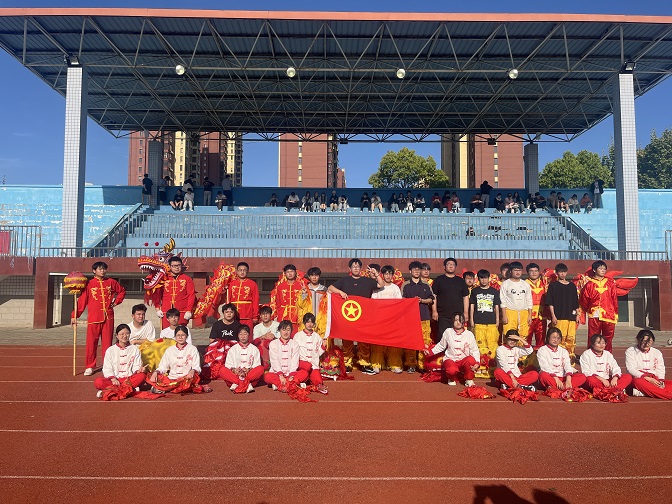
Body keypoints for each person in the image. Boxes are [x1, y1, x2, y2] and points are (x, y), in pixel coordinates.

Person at [327, 258, 384, 373]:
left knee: (364, 340)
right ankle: (347, 363)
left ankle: (364, 363)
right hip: (348, 317)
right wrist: (340, 292)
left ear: (361, 268)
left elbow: (381, 284)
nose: (356, 268)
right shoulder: (344, 280)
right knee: (347, 340)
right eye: (354, 266)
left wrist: (376, 274)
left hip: (364, 316)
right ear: (350, 268)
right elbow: (330, 288)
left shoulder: (367, 281)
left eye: (358, 267)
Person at [71, 261, 126, 376]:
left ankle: (107, 365)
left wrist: (116, 302)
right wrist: (74, 315)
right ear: (94, 271)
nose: (102, 271)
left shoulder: (111, 282)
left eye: (104, 269)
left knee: (107, 343)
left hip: (108, 317)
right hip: (94, 317)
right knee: (91, 343)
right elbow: (82, 301)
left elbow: (122, 291)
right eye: (100, 269)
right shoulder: (89, 284)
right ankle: (90, 366)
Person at [425, 312, 480, 386]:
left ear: (464, 321)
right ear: (452, 321)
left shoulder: (469, 334)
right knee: (451, 370)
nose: (458, 322)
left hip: (464, 361)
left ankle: (469, 379)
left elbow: (475, 350)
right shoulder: (448, 332)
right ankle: (451, 377)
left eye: (460, 320)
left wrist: (477, 363)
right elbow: (441, 345)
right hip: (451, 359)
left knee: (471, 360)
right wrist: (430, 352)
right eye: (456, 320)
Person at [94, 324, 146, 398]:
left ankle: (112, 391)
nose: (125, 336)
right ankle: (129, 390)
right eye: (122, 334)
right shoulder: (110, 350)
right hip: (114, 380)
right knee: (98, 382)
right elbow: (107, 368)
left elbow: (136, 365)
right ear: (117, 336)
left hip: (129, 379)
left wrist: (138, 370)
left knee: (142, 376)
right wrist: (113, 378)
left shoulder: (135, 349)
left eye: (127, 333)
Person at [370, 265, 404, 374]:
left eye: (390, 273)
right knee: (378, 343)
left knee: (393, 343)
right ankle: (377, 364)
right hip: (380, 320)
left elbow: (399, 303)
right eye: (386, 274)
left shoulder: (396, 288)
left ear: (393, 275)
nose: (388, 276)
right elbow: (373, 302)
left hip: (393, 320)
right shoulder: (377, 287)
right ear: (382, 275)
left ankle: (394, 364)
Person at [403, 261, 435, 373]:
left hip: (424, 317)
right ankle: (411, 364)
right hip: (410, 318)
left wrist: (422, 300)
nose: (416, 271)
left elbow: (431, 299)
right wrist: (411, 301)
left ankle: (423, 364)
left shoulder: (426, 285)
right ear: (410, 271)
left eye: (418, 269)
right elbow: (402, 300)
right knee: (410, 341)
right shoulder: (405, 285)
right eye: (414, 269)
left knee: (425, 341)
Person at [149, 324, 201, 393]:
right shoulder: (170, 350)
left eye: (183, 335)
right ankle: (170, 387)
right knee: (154, 377)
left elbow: (197, 367)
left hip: (186, 378)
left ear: (187, 336)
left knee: (192, 380)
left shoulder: (192, 349)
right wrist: (156, 372)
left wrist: (192, 371)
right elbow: (162, 367)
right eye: (178, 335)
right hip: (171, 378)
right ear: (175, 337)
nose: (180, 337)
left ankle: (164, 388)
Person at [579, 260, 618, 351]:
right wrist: (587, 310)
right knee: (593, 336)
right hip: (594, 314)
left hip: (609, 314)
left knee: (608, 337)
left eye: (604, 269)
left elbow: (614, 299)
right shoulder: (589, 284)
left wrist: (615, 313)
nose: (603, 270)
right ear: (594, 270)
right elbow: (584, 299)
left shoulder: (610, 284)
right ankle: (591, 354)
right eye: (600, 268)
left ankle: (607, 355)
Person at [545, 263, 580, 358]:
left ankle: (570, 359)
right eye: (560, 272)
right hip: (559, 317)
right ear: (557, 273)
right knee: (560, 338)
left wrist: (578, 315)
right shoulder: (553, 286)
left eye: (564, 272)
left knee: (571, 338)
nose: (563, 274)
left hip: (571, 317)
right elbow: (550, 303)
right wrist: (553, 316)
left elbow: (575, 302)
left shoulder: (572, 286)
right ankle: (558, 358)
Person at [469, 269, 501, 372]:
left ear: (489, 279)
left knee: (492, 344)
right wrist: (471, 320)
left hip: (491, 322)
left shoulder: (494, 291)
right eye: (481, 278)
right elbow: (472, 306)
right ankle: (481, 366)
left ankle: (492, 366)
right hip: (478, 322)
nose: (484, 280)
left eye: (485, 278)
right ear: (478, 279)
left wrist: (497, 320)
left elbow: (496, 307)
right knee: (480, 345)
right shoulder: (475, 291)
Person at [625, 330, 672, 399]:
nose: (646, 344)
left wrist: (661, 381)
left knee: (668, 384)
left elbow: (660, 368)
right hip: (639, 378)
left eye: (649, 342)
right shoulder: (630, 351)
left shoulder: (657, 352)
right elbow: (631, 369)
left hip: (654, 378)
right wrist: (647, 378)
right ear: (638, 340)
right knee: (637, 382)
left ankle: (641, 393)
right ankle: (667, 395)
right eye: (644, 341)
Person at [431, 258, 470, 338]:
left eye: (453, 264)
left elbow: (465, 297)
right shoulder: (439, 280)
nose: (451, 266)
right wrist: (434, 311)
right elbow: (434, 296)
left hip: (458, 315)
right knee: (443, 337)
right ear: (444, 267)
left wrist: (466, 312)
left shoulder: (461, 281)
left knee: (457, 337)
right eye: (448, 264)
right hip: (443, 315)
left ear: (455, 267)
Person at [219, 325, 264, 393]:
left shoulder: (254, 349)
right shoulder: (233, 349)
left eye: (245, 334)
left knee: (260, 368)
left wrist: (248, 370)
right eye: (240, 334)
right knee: (222, 370)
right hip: (235, 375)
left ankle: (238, 383)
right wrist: (234, 370)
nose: (243, 336)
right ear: (238, 335)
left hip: (248, 375)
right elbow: (228, 365)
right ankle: (245, 384)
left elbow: (257, 364)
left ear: (249, 335)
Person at [156, 256, 195, 329]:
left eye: (178, 265)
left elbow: (191, 295)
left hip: (181, 312)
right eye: (174, 266)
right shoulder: (163, 278)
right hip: (166, 311)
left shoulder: (187, 279)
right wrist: (157, 309)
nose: (177, 267)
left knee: (181, 333)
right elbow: (157, 294)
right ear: (170, 266)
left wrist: (189, 311)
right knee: (166, 333)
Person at [293, 313, 329, 393]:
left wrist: (323, 347)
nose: (310, 324)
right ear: (304, 323)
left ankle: (310, 384)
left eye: (312, 322)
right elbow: (294, 352)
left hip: (313, 365)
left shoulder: (317, 336)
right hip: (302, 365)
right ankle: (293, 383)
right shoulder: (297, 336)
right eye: (308, 322)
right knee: (303, 374)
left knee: (318, 381)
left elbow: (317, 353)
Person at [264, 320, 303, 392]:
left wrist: (291, 375)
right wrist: (280, 375)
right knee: (267, 376)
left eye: (288, 330)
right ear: (279, 330)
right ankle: (286, 385)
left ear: (291, 331)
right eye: (283, 330)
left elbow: (295, 360)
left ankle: (280, 384)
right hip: (277, 374)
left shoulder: (295, 344)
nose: (286, 332)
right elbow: (274, 360)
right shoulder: (273, 343)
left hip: (290, 374)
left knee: (304, 374)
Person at [500, 262, 532, 341]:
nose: (518, 272)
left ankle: (521, 349)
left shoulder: (526, 284)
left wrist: (530, 315)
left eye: (519, 270)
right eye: (515, 270)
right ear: (511, 271)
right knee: (509, 334)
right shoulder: (505, 284)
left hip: (524, 312)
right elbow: (502, 301)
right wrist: (504, 315)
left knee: (523, 334)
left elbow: (529, 300)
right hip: (510, 312)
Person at [227, 262, 260, 327]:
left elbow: (256, 300)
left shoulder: (252, 284)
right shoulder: (231, 284)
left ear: (247, 271)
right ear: (237, 271)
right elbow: (228, 299)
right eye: (240, 270)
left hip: (247, 315)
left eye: (244, 270)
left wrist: (255, 316)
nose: (242, 272)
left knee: (247, 332)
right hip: (233, 315)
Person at [272, 264, 302, 330]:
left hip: (297, 315)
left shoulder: (300, 286)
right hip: (283, 315)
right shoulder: (280, 286)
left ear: (295, 273)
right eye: (288, 272)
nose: (290, 274)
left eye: (292, 271)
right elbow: (277, 302)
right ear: (285, 274)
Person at [525, 263, 547, 349]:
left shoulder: (544, 283)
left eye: (536, 271)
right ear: (527, 272)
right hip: (528, 316)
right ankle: (526, 356)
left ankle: (540, 356)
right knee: (526, 338)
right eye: (531, 271)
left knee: (541, 339)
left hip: (541, 316)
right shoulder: (524, 284)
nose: (534, 273)